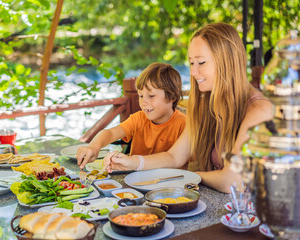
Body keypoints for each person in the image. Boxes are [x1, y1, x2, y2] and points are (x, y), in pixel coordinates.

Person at [103, 23, 274, 193]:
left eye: (201, 62)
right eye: (192, 63)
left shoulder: (260, 110)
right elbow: (174, 156)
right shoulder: (204, 105)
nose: (193, 71)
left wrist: (192, 176)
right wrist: (132, 162)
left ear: (227, 62)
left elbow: (232, 181)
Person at [76, 62, 186, 169]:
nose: (143, 102)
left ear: (172, 97)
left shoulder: (185, 125)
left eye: (151, 96)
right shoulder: (139, 119)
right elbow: (110, 133)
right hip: (136, 181)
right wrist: (94, 146)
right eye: (141, 95)